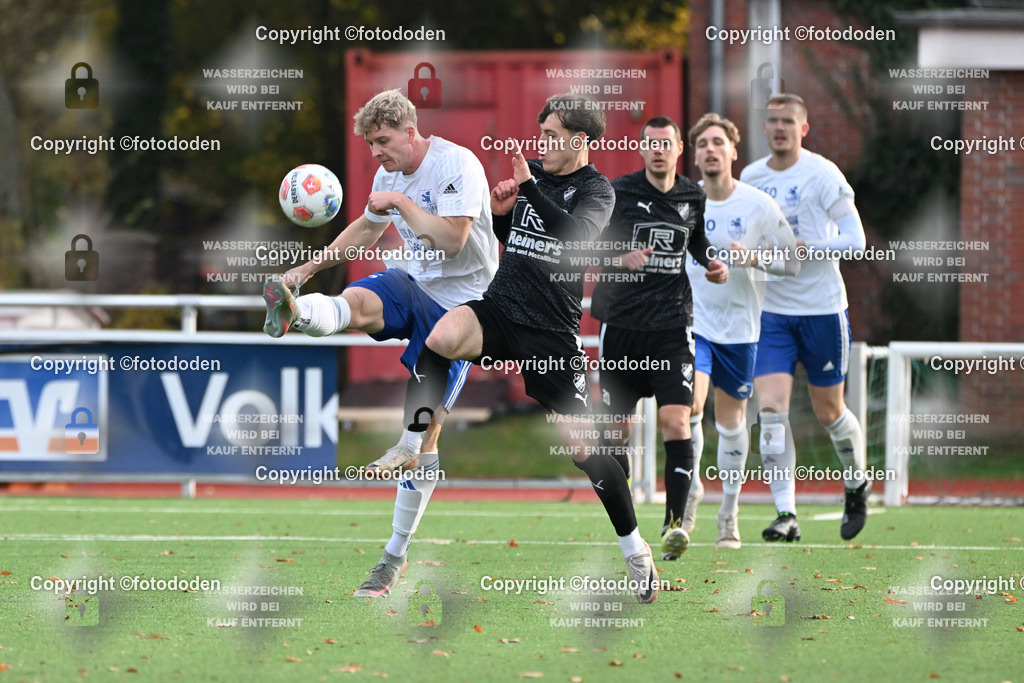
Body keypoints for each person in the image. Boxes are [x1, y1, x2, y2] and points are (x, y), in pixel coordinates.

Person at [402, 93, 661, 603]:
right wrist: (502, 215)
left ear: (580, 141)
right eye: (541, 134)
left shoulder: (597, 191)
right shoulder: (535, 175)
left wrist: (526, 188)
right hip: (502, 307)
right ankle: (414, 446)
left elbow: (569, 241)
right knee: (440, 339)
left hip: (550, 331)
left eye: (552, 136)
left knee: (585, 451)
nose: (542, 144)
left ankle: (636, 552)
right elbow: (517, 240)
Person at [261, 88, 498, 596]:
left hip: (465, 310)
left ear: (411, 132)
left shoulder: (457, 163)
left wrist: (401, 203)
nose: (377, 154)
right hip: (412, 283)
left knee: (421, 447)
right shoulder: (388, 174)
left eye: (383, 141)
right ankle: (297, 312)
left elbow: (453, 239)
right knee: (359, 302)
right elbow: (366, 230)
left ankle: (393, 556)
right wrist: (307, 268)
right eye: (370, 145)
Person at [589, 116, 728, 562]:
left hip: (671, 327)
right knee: (617, 431)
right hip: (622, 327)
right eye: (650, 143)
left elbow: (698, 241)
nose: (658, 150)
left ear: (677, 150)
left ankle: (674, 525)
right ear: (642, 148)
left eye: (666, 143)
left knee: (677, 421)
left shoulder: (692, 195)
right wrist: (619, 256)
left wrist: (712, 263)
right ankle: (625, 515)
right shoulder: (619, 193)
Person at [739, 93, 869, 542]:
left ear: (803, 128)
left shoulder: (823, 174)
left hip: (821, 309)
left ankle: (856, 485)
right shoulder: (751, 177)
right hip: (772, 313)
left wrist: (806, 250)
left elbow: (855, 242)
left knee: (830, 411)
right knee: (770, 412)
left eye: (788, 122)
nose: (779, 128)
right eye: (772, 120)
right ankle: (785, 512)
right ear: (764, 127)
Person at [683, 113, 800, 549]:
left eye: (718, 143)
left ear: (734, 152)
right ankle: (690, 490)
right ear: (694, 156)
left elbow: (791, 262)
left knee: (730, 422)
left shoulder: (758, 205)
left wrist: (752, 259)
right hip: (692, 325)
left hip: (740, 329)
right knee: (689, 406)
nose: (710, 150)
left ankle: (729, 510)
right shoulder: (684, 200)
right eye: (702, 145)